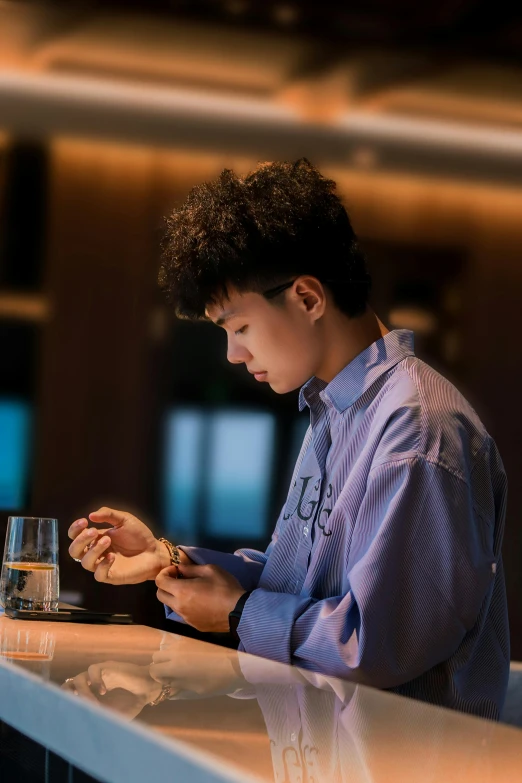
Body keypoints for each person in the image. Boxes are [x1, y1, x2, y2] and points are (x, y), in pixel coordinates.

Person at [68, 159, 509, 719]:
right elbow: (299, 581)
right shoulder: (333, 409)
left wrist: (237, 613)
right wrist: (166, 557)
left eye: (240, 327)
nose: (233, 353)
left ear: (306, 298)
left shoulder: (417, 427)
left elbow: (376, 646)